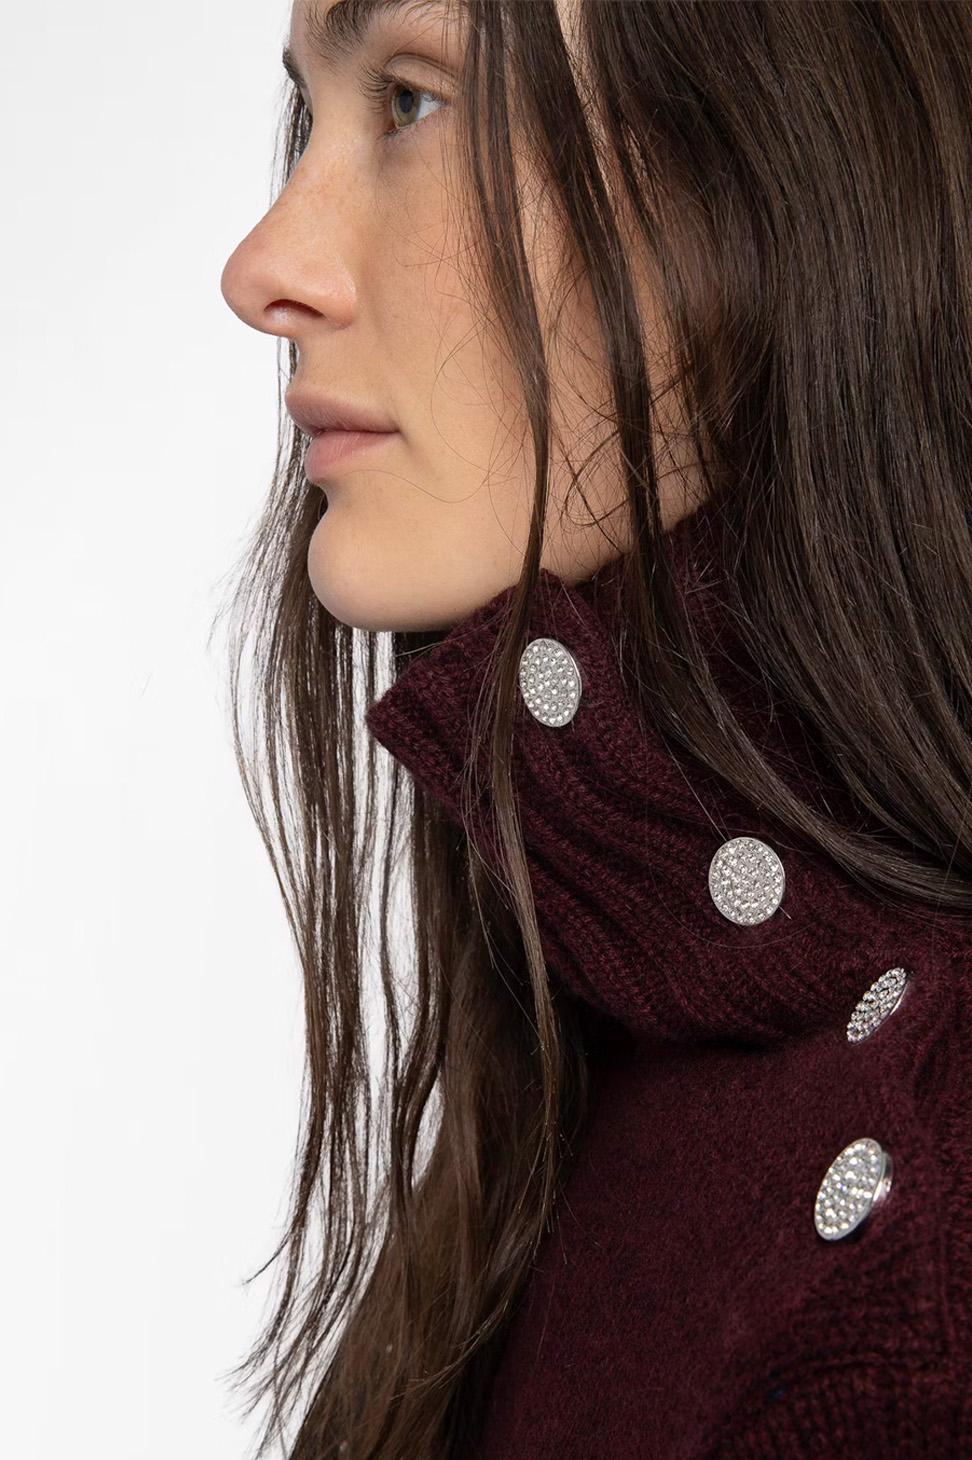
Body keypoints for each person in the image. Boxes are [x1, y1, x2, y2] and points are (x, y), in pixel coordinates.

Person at [218, 1, 972, 1456]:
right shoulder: (593, 1041)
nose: (263, 270)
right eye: (314, 115)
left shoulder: (917, 1260)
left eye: (415, 102)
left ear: (780, 170)